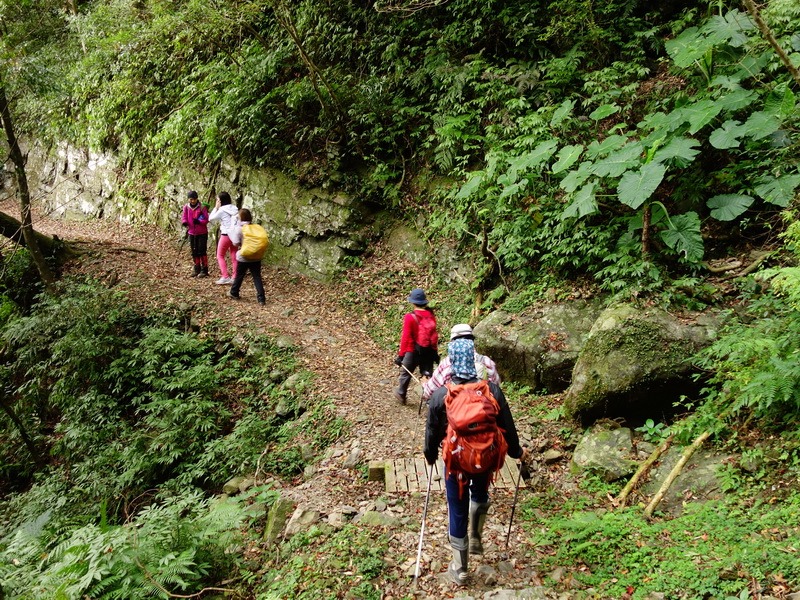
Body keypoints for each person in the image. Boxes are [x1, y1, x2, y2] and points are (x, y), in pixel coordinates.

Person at [424, 336, 527, 586]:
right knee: (479, 493)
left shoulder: (441, 395)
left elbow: (432, 430)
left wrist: (429, 455)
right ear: (472, 358)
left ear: (453, 360)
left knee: (456, 506)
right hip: (485, 458)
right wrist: (516, 452)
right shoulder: (491, 391)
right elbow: (507, 426)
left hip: (456, 462)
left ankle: (460, 569)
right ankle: (477, 536)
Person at [422, 323, 500, 401]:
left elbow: (429, 391)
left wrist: (425, 385)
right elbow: (495, 387)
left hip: (453, 409)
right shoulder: (487, 362)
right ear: (472, 341)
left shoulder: (447, 364)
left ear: (452, 342)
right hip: (482, 407)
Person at [393, 288, 439, 405]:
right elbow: (433, 335)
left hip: (413, 350)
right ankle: (431, 401)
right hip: (428, 350)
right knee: (427, 376)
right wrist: (435, 352)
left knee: (405, 373)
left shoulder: (410, 317)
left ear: (413, 302)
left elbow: (406, 337)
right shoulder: (430, 314)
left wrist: (401, 355)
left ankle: (401, 393)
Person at [227, 208, 266, 306]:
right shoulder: (256, 227)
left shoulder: (240, 229)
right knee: (257, 277)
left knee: (239, 275)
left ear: (240, 218)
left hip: (244, 257)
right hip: (256, 256)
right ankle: (261, 298)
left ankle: (234, 292)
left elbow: (235, 243)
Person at [208, 191, 239, 285]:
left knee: (220, 255)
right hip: (234, 235)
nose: (217, 201)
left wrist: (215, 208)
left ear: (221, 201)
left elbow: (210, 218)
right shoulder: (235, 208)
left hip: (226, 235)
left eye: (217, 200)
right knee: (234, 254)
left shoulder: (221, 210)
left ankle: (225, 276)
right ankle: (235, 276)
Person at [180, 190, 209, 278]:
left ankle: (205, 269)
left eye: (194, 199)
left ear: (197, 199)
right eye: (190, 199)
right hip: (192, 232)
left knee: (202, 251)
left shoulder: (202, 207)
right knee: (194, 251)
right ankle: (197, 268)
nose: (192, 201)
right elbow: (184, 216)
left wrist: (199, 221)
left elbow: (206, 219)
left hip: (202, 232)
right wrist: (185, 222)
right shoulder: (186, 207)